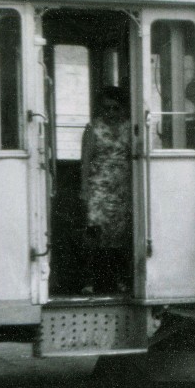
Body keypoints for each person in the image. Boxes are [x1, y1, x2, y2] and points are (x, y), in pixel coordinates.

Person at [80, 85, 133, 294]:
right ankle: (89, 281)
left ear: (122, 109)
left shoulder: (129, 128)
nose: (111, 113)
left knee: (120, 236)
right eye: (106, 108)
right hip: (99, 190)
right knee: (94, 235)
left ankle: (120, 280)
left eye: (115, 108)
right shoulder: (93, 129)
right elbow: (85, 161)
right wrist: (84, 189)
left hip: (122, 190)